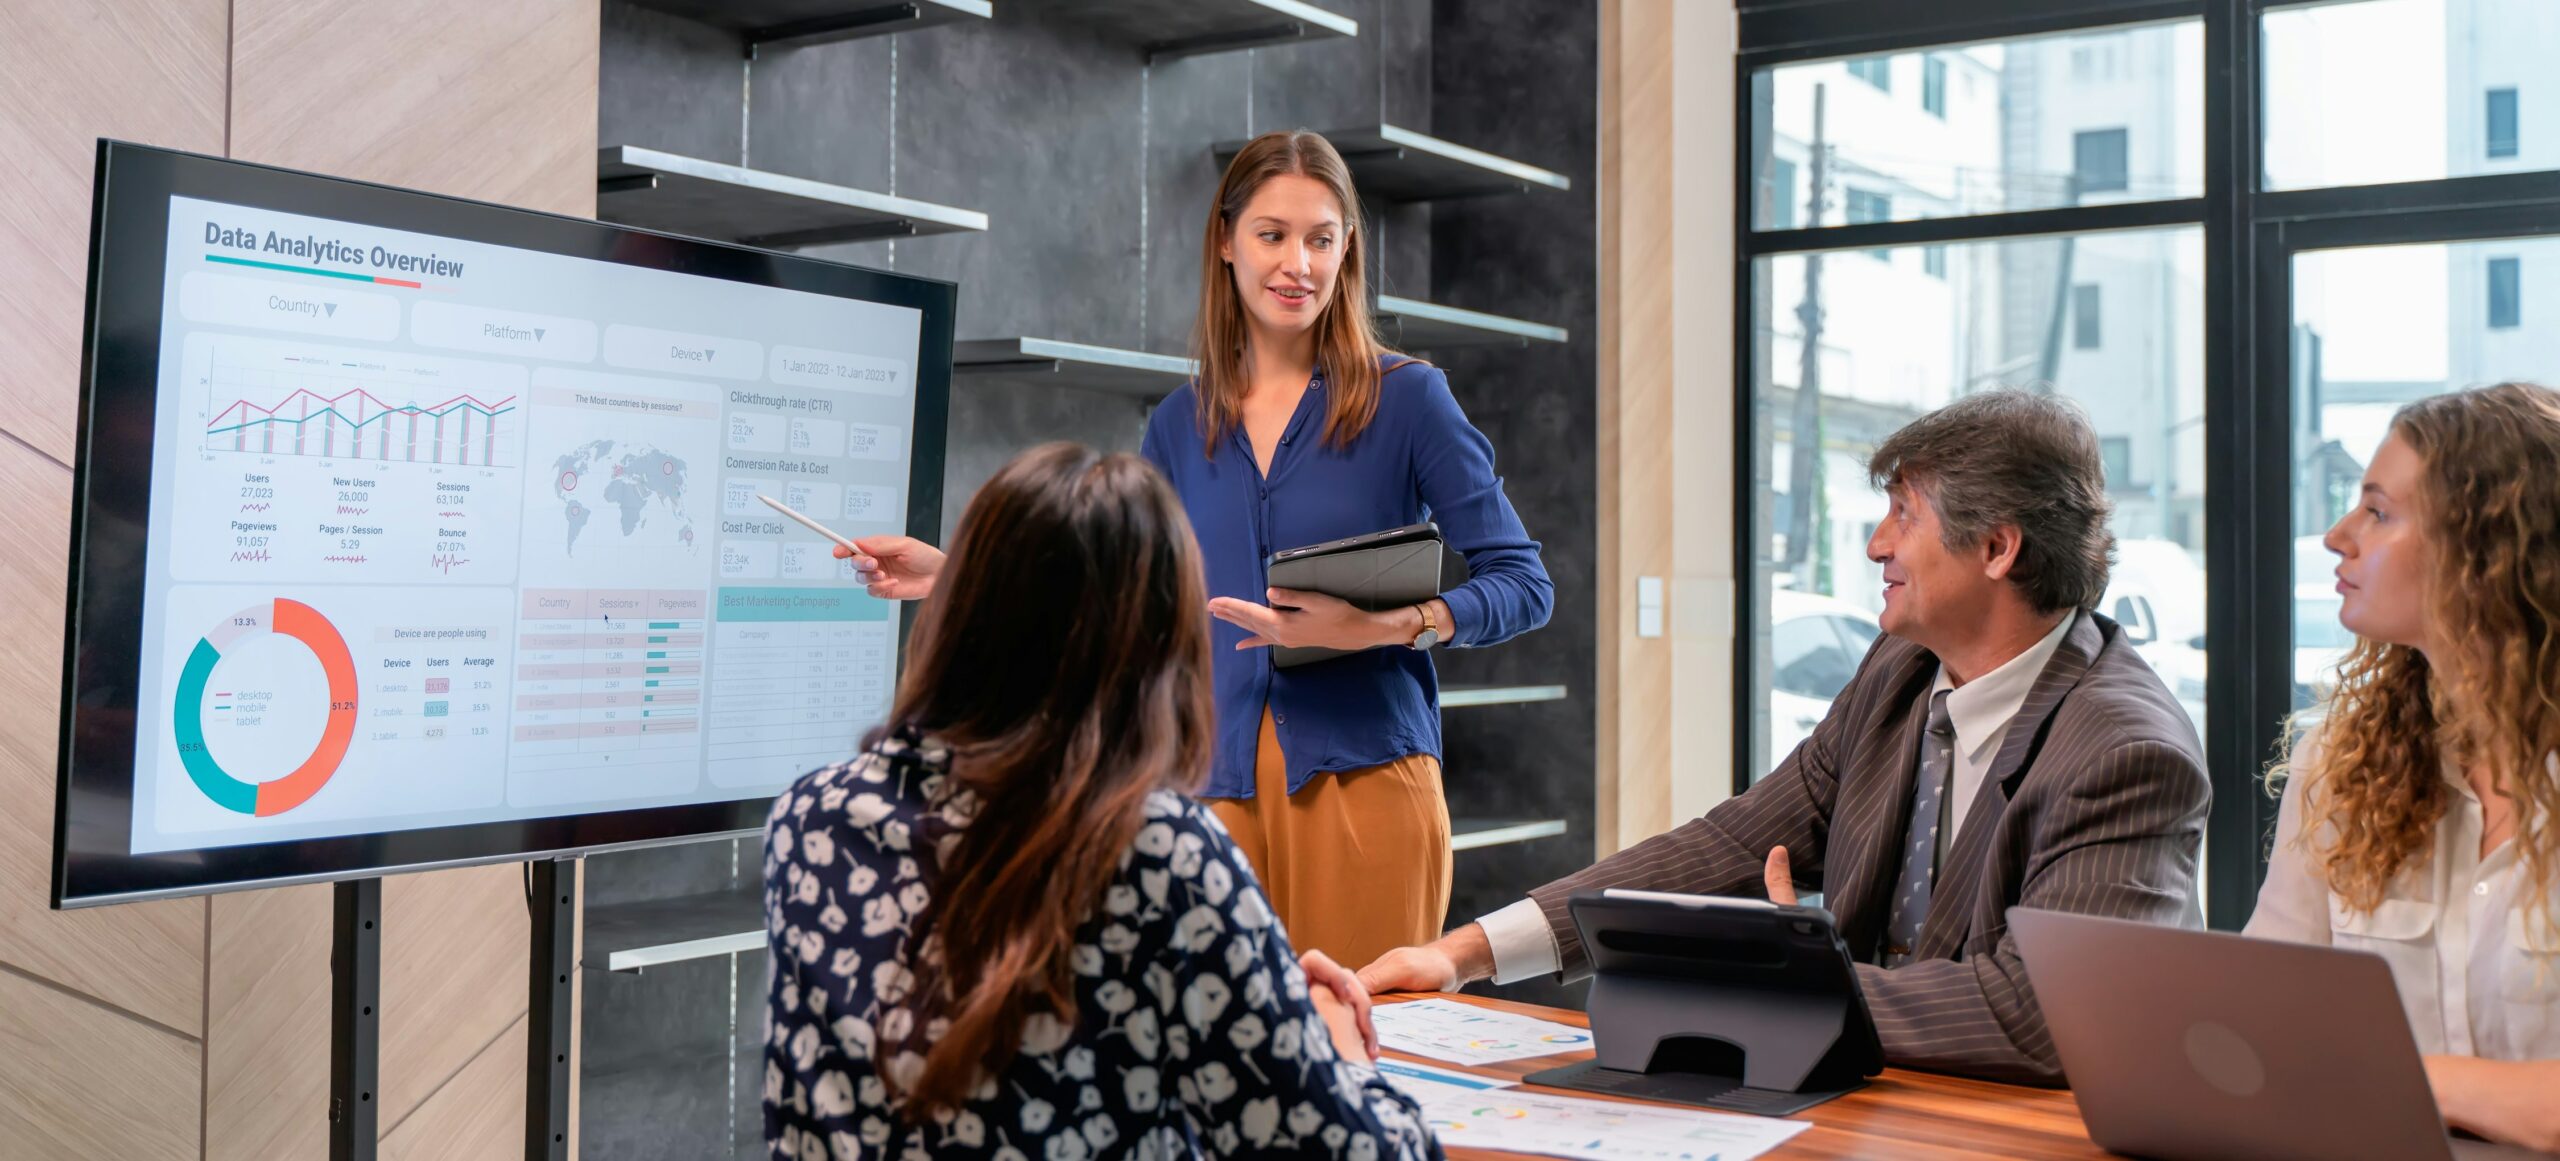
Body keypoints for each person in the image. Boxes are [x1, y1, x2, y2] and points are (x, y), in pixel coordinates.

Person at [840, 129, 1554, 971]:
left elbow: (1523, 582)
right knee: (1214, 1074)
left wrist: (1392, 626)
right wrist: (958, 571)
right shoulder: (1180, 422)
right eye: (1273, 235)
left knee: (1367, 1059)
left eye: (1322, 239)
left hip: (1367, 790)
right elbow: (1118, 587)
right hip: (1206, 789)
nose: (1299, 264)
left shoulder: (1408, 399)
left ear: (1347, 248)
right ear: (1225, 241)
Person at [1359, 390, 2210, 1086]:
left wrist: (1780, 982)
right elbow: (1730, 842)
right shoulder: (1899, 670)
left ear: (1997, 547)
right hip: (1871, 1107)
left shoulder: (2127, 752)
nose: (1877, 544)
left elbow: (2039, 1012)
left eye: (1902, 516)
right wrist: (1462, 952)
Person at [766, 443, 1443, 1159]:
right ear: (1159, 645)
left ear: (961, 610)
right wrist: (1334, 1044)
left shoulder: (810, 819)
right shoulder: (1157, 850)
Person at [2243, 383, 2560, 1153]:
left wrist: (2413, 1075)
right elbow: (2258, 1007)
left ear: (2485, 553)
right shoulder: (2341, 758)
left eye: (2378, 512)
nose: (2335, 535)